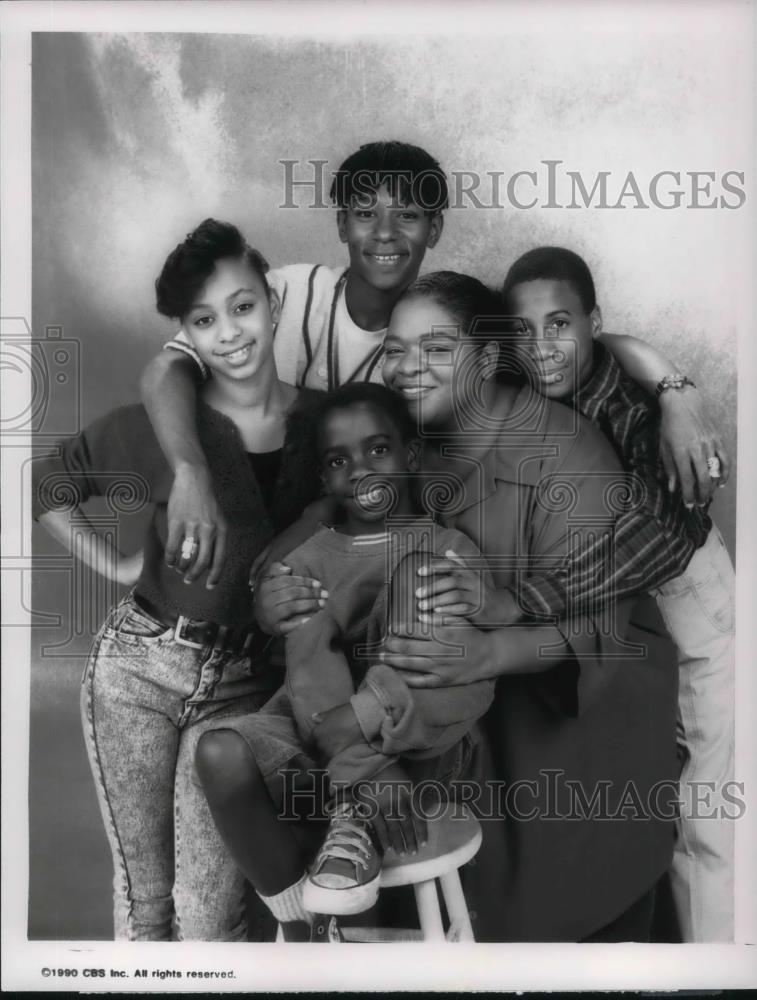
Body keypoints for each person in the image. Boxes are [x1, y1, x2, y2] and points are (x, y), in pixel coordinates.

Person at [259, 271, 680, 942]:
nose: (406, 368)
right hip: (433, 673)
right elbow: (326, 535)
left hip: (575, 681)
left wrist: (486, 651)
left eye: (435, 349)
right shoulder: (402, 446)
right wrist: (279, 588)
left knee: (534, 883)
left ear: (484, 360)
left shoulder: (566, 451)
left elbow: (597, 624)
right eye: (395, 349)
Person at [137, 140, 726, 591]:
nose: (386, 233)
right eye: (365, 214)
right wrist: (189, 472)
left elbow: (563, 341)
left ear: (435, 229)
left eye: (409, 216)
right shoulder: (281, 297)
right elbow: (169, 367)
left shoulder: (458, 333)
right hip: (259, 531)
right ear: (341, 225)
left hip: (350, 548)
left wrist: (676, 389)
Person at [33, 219, 323, 940]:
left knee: (211, 915)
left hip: (246, 689)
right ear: (185, 333)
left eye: (242, 306)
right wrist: (120, 564)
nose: (228, 332)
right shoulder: (166, 425)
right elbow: (48, 485)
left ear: (273, 303)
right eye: (203, 319)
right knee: (147, 899)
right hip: (138, 670)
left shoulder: (322, 427)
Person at [195, 382, 494, 935]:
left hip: (419, 753)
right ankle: (306, 923)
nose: (360, 469)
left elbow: (466, 683)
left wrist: (362, 729)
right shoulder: (307, 561)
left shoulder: (450, 551)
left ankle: (351, 809)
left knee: (416, 579)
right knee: (216, 752)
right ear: (325, 479)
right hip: (322, 745)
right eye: (339, 459)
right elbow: (308, 684)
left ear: (409, 455)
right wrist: (366, 770)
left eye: (377, 449)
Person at [498, 246, 735, 942]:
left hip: (688, 607)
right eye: (523, 328)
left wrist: (522, 601)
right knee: (644, 802)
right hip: (619, 629)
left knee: (707, 816)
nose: (540, 346)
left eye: (558, 324)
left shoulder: (636, 413)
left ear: (592, 322)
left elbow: (656, 538)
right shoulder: (535, 391)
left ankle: (713, 971)